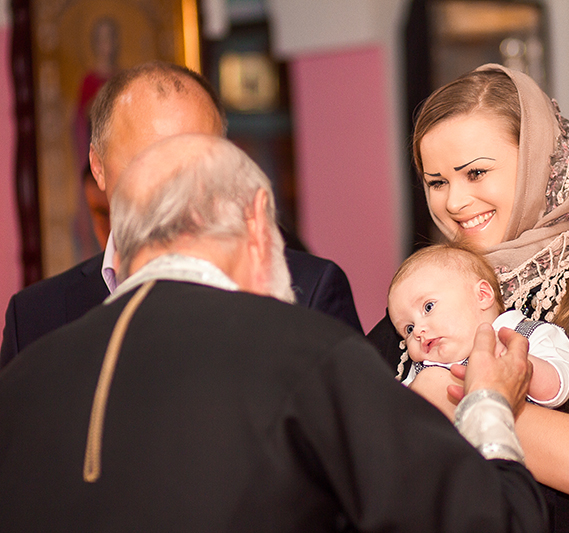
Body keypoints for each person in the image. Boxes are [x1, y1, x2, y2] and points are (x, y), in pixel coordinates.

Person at [0, 133, 549, 532]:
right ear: (258, 219)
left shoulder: (24, 381)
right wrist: (488, 404)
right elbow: (491, 523)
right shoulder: (307, 354)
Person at [368, 64, 569, 533]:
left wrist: (448, 394)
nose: (454, 202)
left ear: (539, 164)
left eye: (476, 173)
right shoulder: (427, 291)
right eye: (437, 182)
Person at [0, 61, 361, 369]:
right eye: (148, 163)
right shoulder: (35, 317)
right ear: (98, 166)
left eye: (195, 162)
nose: (174, 188)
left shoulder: (308, 288)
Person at [387, 242, 569, 420]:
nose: (418, 331)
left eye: (428, 307)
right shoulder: (422, 370)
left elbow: (556, 390)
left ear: (482, 295)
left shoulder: (526, 335)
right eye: (408, 329)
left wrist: (519, 362)